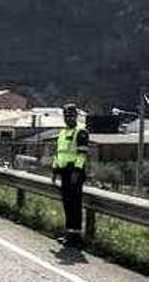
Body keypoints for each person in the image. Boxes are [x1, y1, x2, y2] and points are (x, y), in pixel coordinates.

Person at [51, 103, 89, 247]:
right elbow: (58, 154)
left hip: (75, 173)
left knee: (74, 205)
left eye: (71, 115)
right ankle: (69, 234)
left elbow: (82, 154)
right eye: (66, 116)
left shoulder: (81, 131)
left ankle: (76, 237)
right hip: (64, 173)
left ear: (76, 116)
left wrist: (77, 172)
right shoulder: (63, 132)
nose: (68, 118)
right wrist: (54, 171)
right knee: (67, 204)